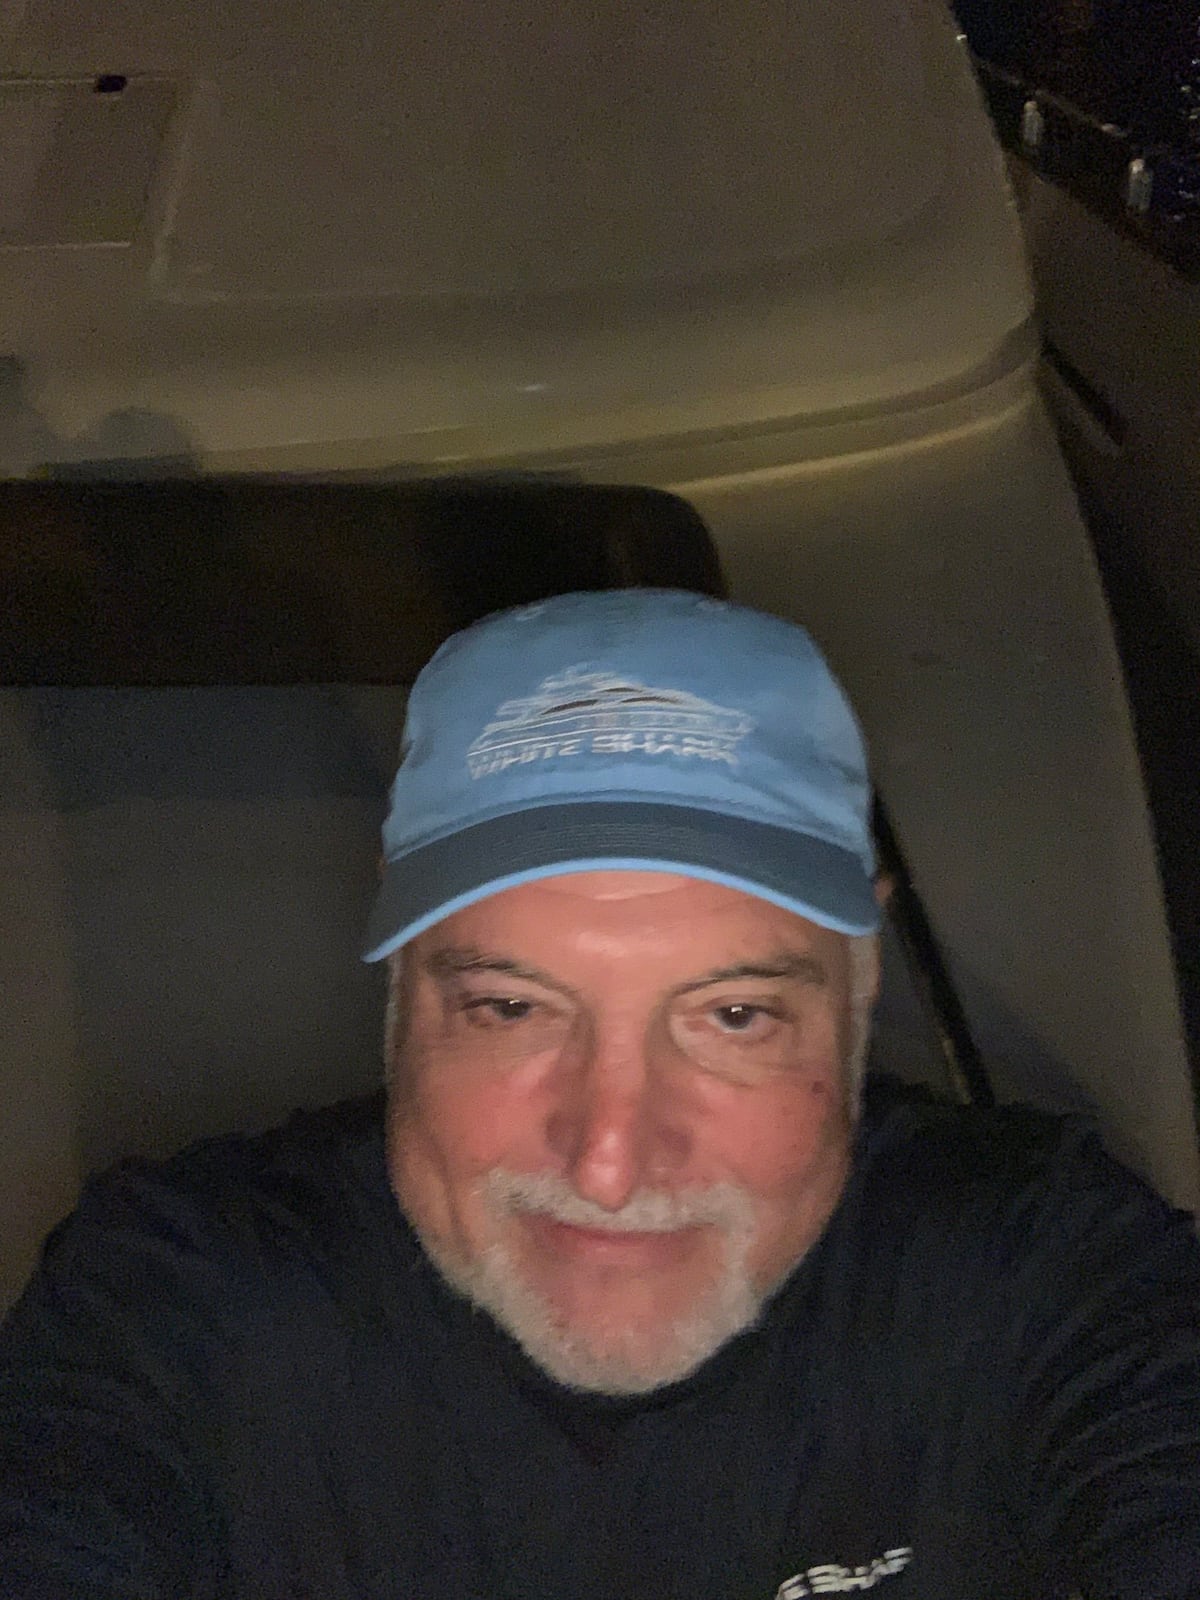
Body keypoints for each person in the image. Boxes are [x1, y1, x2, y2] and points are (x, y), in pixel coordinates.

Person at [2, 587, 1199, 1600]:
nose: (611, 1161)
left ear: (862, 976)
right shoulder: (175, 1315)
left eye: (734, 1015)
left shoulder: (1042, 1277)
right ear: (402, 978)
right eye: (511, 1007)